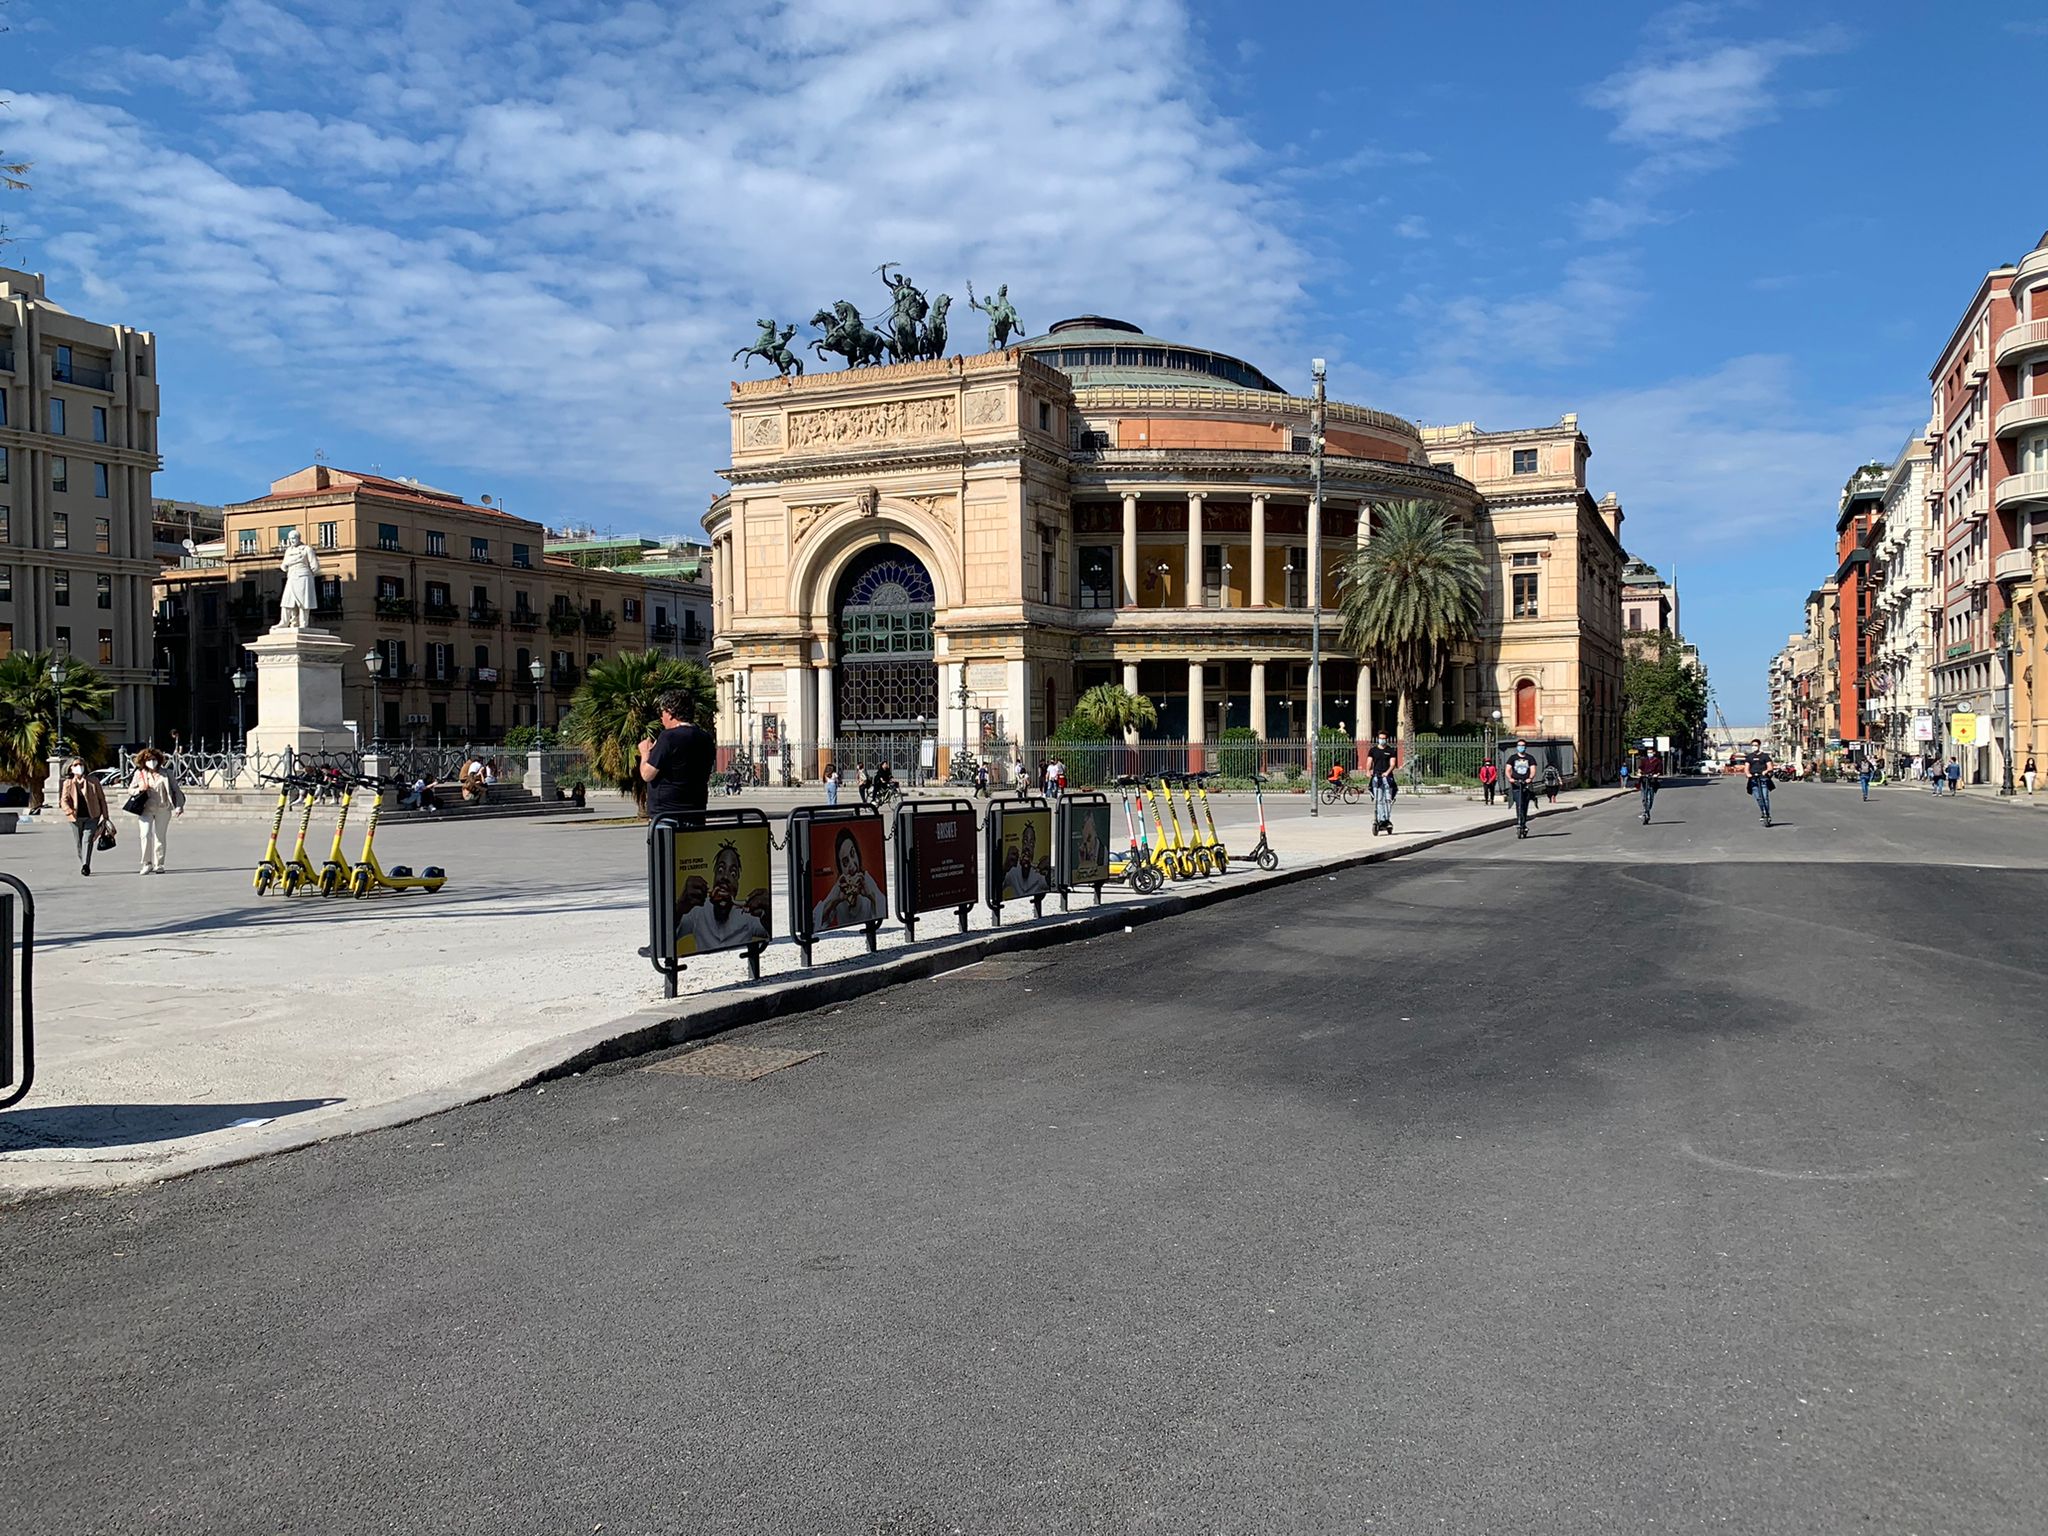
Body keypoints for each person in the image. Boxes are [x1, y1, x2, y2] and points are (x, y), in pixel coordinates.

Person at [676, 839, 771, 953]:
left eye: (733, 873)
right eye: (720, 870)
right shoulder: (698, 910)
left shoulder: (747, 915)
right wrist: (679, 907)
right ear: (714, 876)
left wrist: (767, 913)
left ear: (738, 884)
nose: (725, 877)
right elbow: (668, 936)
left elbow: (769, 932)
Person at [638, 689, 716, 824]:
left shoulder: (668, 737)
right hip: (695, 811)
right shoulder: (706, 738)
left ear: (670, 713)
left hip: (667, 814)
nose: (661, 719)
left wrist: (645, 753)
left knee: (667, 845)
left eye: (662, 713)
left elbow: (647, 774)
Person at [126, 746, 186, 873]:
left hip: (163, 808)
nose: (151, 762)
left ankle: (159, 864)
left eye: (153, 759)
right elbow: (130, 789)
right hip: (145, 809)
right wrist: (139, 789)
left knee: (160, 836)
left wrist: (179, 806)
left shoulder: (167, 773)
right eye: (148, 759)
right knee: (145, 835)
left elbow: (176, 791)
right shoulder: (139, 773)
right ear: (143, 761)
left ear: (158, 759)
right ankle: (147, 863)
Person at [812, 827, 884, 930]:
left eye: (852, 854)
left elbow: (883, 909)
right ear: (840, 867)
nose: (852, 865)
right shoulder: (840, 887)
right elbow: (813, 923)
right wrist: (833, 901)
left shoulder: (866, 881)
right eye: (845, 862)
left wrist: (871, 895)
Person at [59, 759, 110, 877]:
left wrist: (105, 816)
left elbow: (101, 799)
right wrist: (68, 810)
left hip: (92, 816)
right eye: (75, 765)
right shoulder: (68, 783)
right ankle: (83, 861)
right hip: (75, 818)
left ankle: (85, 865)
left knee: (87, 839)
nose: (79, 767)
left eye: (81, 764)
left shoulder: (93, 781)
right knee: (79, 842)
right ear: (70, 768)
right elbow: (63, 800)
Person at [1002, 820, 1051, 900]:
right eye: (1025, 841)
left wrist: (1048, 869)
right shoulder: (1013, 870)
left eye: (1031, 843)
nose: (1027, 847)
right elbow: (997, 888)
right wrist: (1004, 868)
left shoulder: (1039, 874)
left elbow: (1051, 883)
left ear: (1034, 847)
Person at [1501, 739, 1540, 838]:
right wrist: (1510, 778)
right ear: (1517, 747)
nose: (1521, 747)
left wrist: (1530, 778)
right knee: (1519, 803)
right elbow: (1508, 769)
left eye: (1522, 745)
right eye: (1519, 745)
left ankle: (1523, 822)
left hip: (1525, 784)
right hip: (1516, 784)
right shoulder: (1512, 758)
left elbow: (1533, 769)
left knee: (1524, 804)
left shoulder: (1530, 758)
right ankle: (1519, 821)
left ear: (1525, 747)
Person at [1365, 733, 1397, 831]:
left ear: (1386, 739)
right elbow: (1369, 762)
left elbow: (1393, 764)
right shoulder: (1373, 750)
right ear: (1378, 739)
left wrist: (1387, 772)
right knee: (1378, 800)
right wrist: (1367, 771)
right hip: (1376, 777)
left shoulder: (1391, 750)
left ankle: (1386, 819)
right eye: (1380, 738)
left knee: (1387, 800)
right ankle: (1380, 819)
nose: (1382, 740)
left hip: (1387, 778)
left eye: (1384, 738)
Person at [1743, 738, 1774, 825]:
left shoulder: (1765, 756)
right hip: (1753, 780)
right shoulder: (1749, 757)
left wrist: (1766, 771)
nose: (1754, 747)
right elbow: (1746, 768)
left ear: (1759, 746)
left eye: (1755, 745)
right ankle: (1763, 812)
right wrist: (1748, 774)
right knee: (1758, 798)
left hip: (1763, 778)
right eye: (1752, 746)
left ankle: (1767, 814)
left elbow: (1770, 766)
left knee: (1765, 797)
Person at [1637, 745, 1663, 824]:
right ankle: (1646, 813)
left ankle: (1646, 812)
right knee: (1644, 798)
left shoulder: (1657, 761)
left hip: (1652, 781)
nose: (1649, 753)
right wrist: (1639, 773)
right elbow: (1640, 768)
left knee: (1650, 798)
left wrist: (1656, 775)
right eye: (1648, 752)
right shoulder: (1644, 760)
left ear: (1654, 753)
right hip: (1644, 780)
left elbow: (1659, 770)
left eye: (1651, 752)